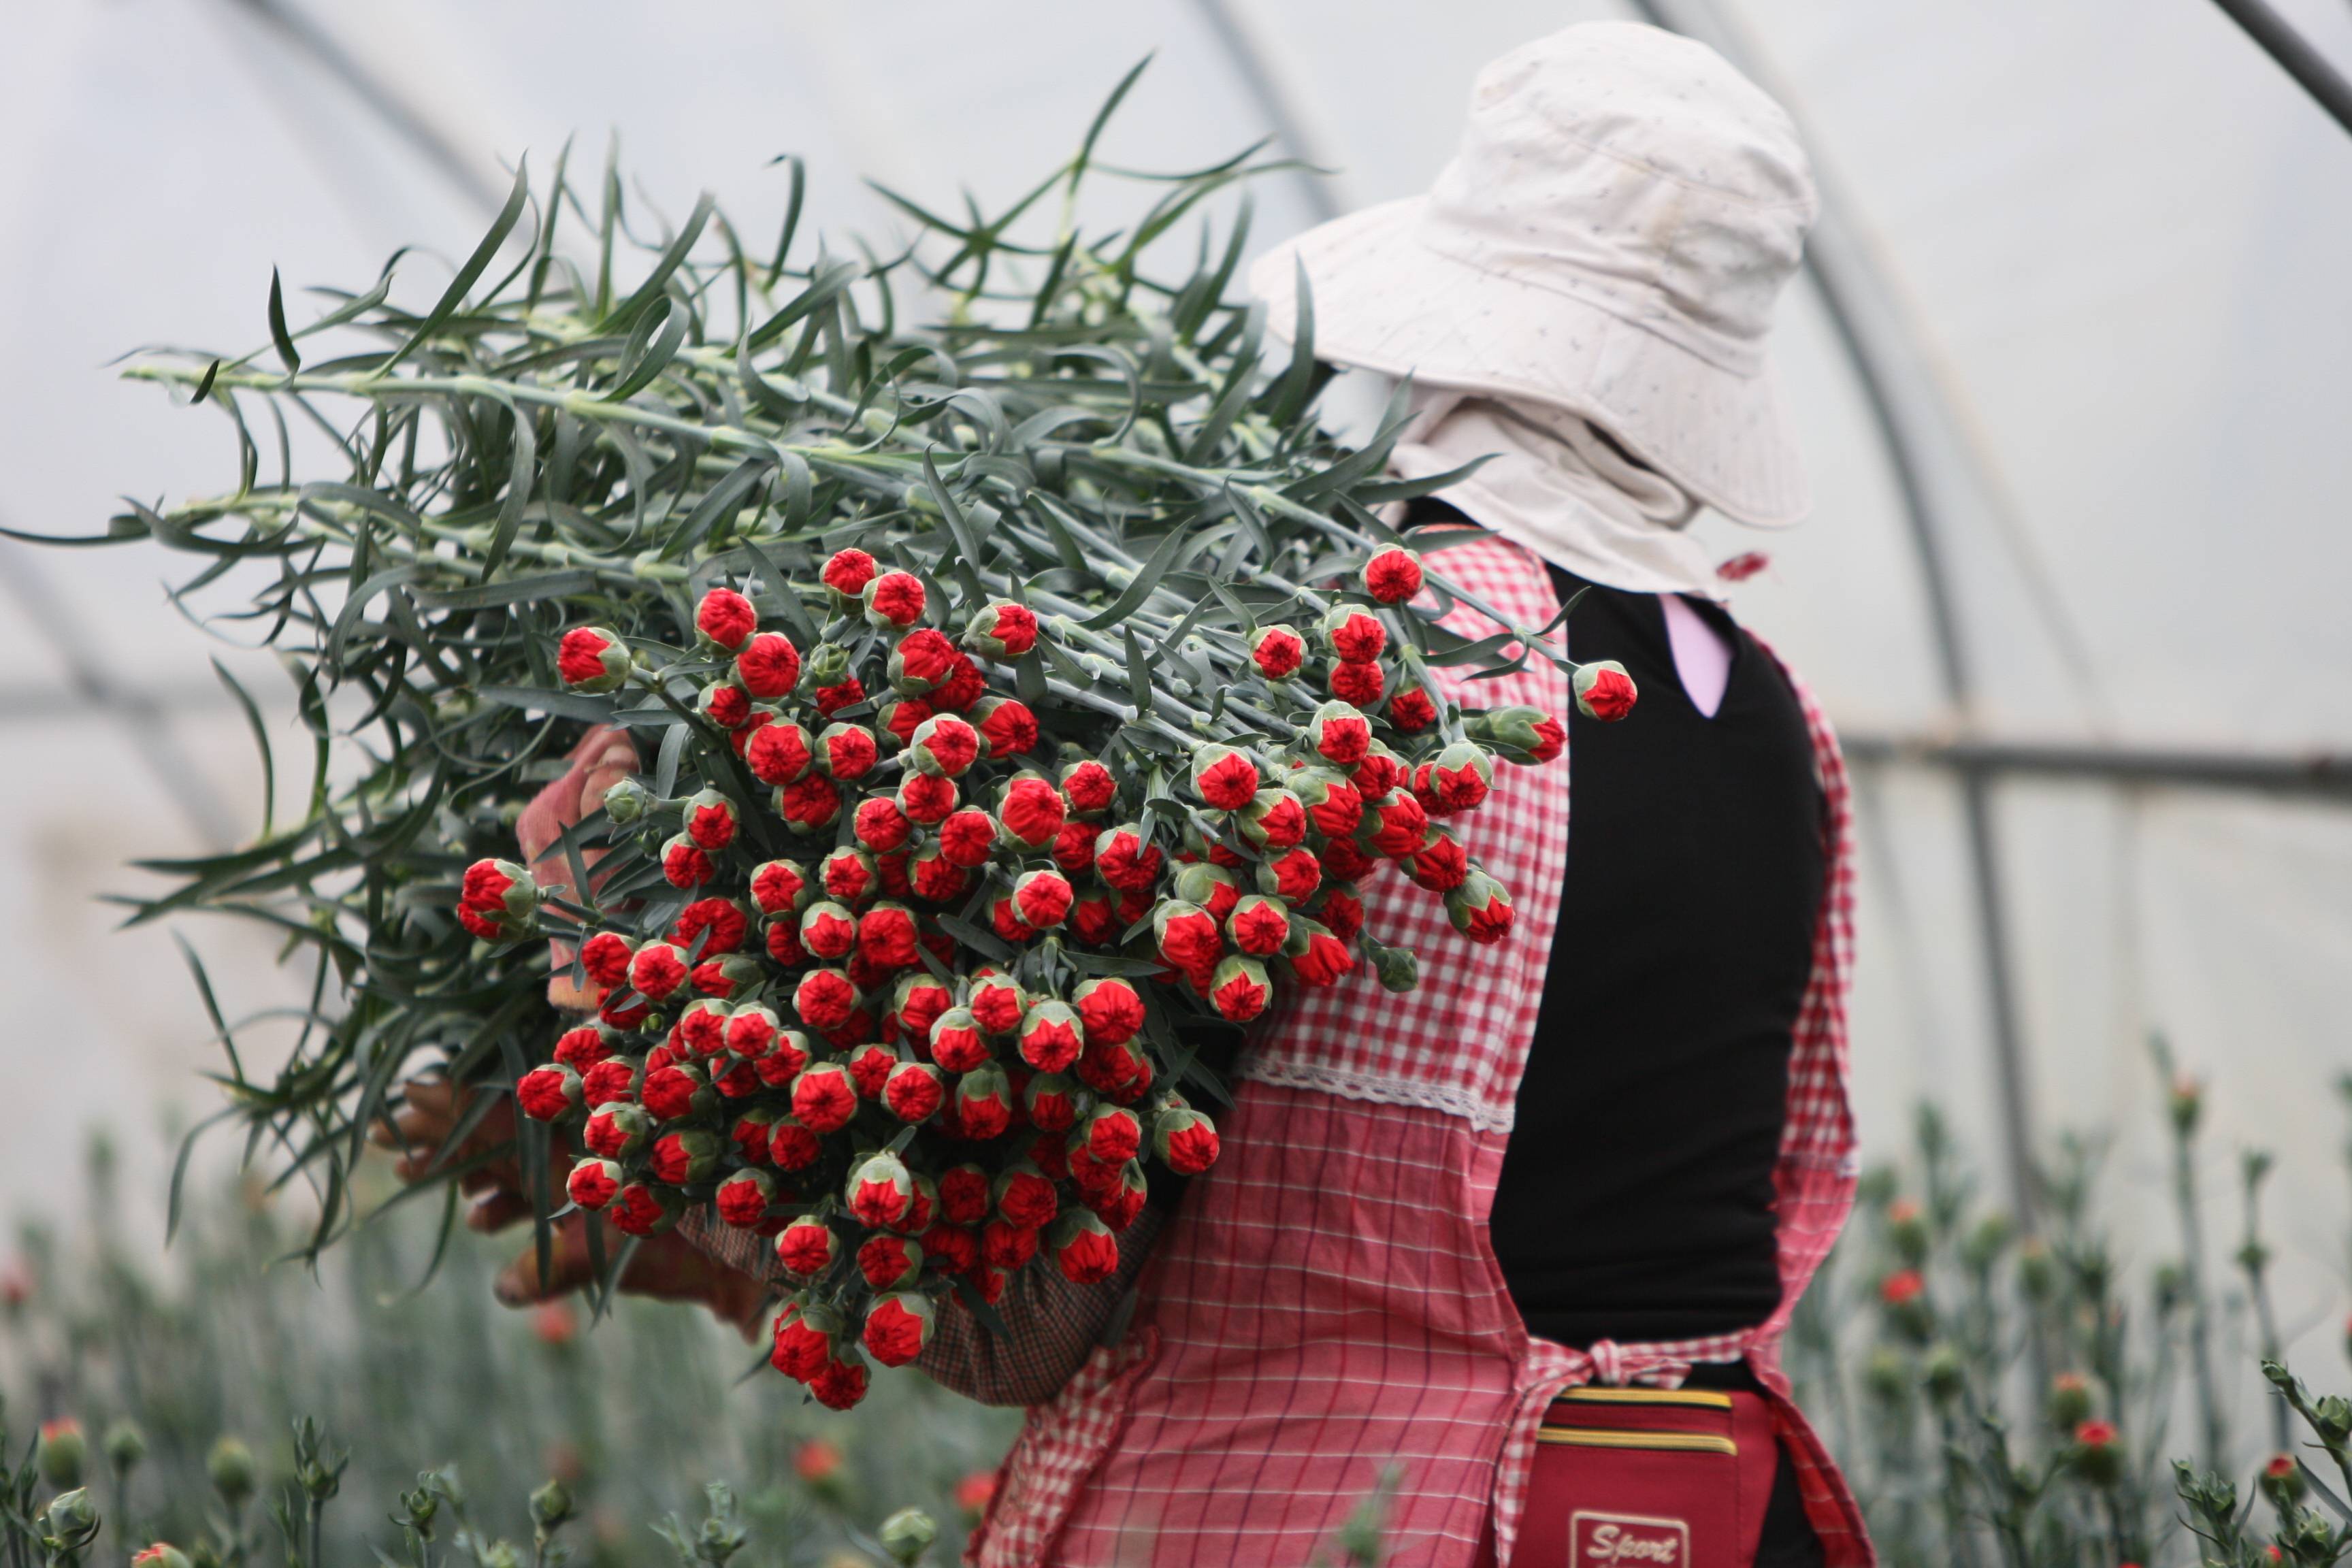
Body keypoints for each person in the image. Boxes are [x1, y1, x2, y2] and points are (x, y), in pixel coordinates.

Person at [381, 22, 1869, 1567]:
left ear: (1447, 324)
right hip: (1700, 1513)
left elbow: (1021, 1322)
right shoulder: (1777, 717)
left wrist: (621, 977)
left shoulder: (1346, 675)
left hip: (1351, 1519)